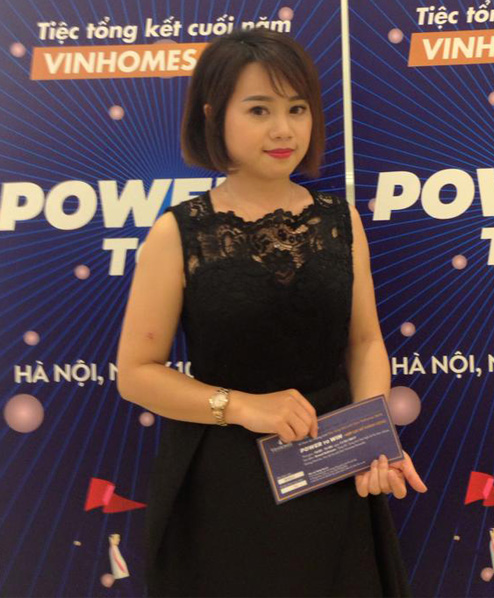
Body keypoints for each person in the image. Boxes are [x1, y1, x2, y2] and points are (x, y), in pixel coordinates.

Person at [116, 27, 427, 597]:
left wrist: (372, 440)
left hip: (332, 468)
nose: (284, 130)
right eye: (259, 110)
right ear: (214, 116)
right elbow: (136, 374)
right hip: (223, 483)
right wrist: (243, 407)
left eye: (297, 109)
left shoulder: (341, 221)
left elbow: (364, 343)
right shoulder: (178, 232)